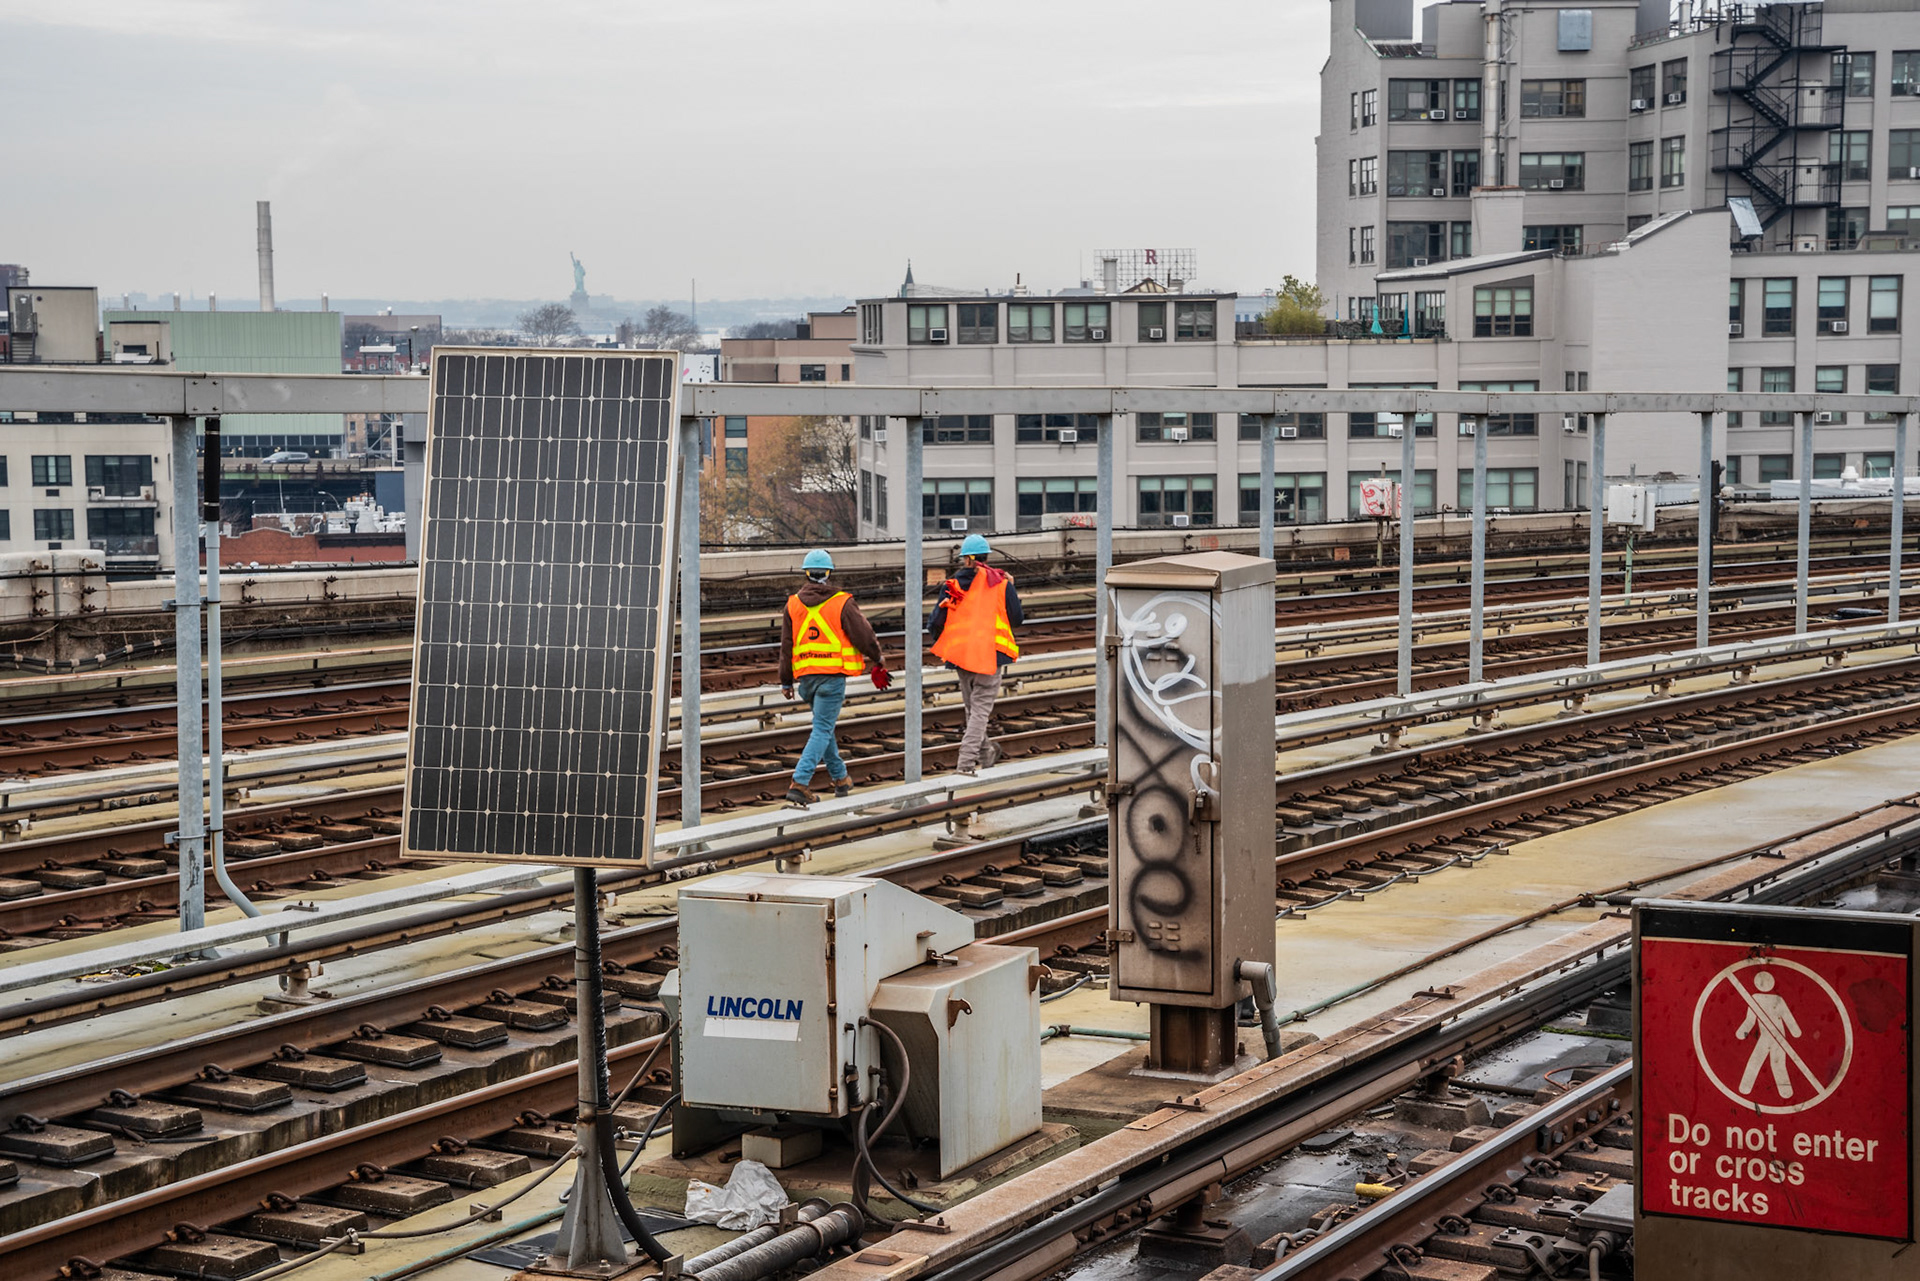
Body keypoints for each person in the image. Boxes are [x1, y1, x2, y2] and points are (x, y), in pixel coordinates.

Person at [780, 548, 889, 806]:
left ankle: (840, 778)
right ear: (829, 573)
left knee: (824, 727)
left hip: (806, 679)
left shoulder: (793, 604)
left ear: (806, 573)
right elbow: (864, 635)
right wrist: (878, 657)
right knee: (822, 729)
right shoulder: (842, 601)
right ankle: (800, 782)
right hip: (832, 678)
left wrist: (785, 681)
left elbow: (786, 645)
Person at [929, 533, 1022, 775]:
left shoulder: (952, 586)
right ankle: (965, 765)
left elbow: (935, 622)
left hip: (961, 656)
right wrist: (1011, 588)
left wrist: (947, 642)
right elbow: (1016, 618)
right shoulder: (1001, 583)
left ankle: (986, 752)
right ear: (985, 557)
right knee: (979, 711)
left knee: (973, 709)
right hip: (990, 656)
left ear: (965, 560)